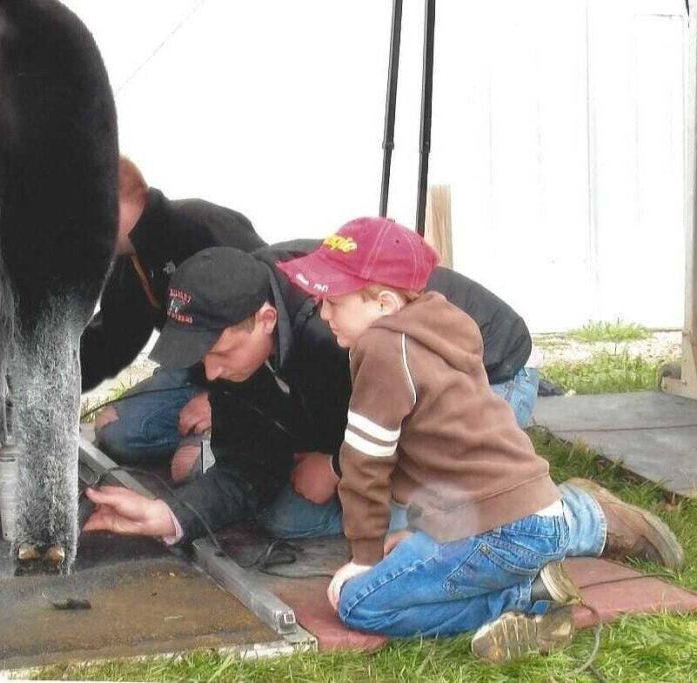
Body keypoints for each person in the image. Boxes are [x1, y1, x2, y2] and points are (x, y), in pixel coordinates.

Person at [275, 217, 684, 662]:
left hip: (497, 531)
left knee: (359, 603)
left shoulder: (380, 348)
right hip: (528, 516)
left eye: (334, 299)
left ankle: (522, 600)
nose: (323, 311)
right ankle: (537, 577)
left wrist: (365, 557)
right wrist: (419, 529)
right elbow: (449, 452)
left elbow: (366, 463)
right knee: (406, 561)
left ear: (385, 302)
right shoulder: (441, 326)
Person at [83, 236, 547, 546]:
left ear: (265, 320)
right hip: (368, 393)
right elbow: (248, 469)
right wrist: (167, 514)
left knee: (446, 480)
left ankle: (543, 509)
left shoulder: (337, 332)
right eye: (199, 353)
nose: (211, 371)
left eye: (220, 352)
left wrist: (340, 465)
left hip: (483, 370)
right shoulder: (240, 328)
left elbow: (407, 408)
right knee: (287, 519)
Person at [81, 156, 265, 469]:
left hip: (249, 378)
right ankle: (203, 434)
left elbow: (269, 326)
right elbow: (113, 337)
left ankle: (226, 441)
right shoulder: (132, 262)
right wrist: (54, 381)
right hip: (190, 371)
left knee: (192, 468)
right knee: (114, 431)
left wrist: (219, 403)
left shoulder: (199, 224)